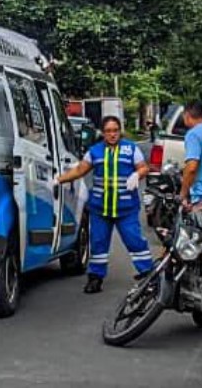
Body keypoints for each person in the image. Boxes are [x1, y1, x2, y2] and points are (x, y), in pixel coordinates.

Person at [56, 116, 151, 294]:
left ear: (120, 131)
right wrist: (57, 181)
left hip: (126, 208)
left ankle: (147, 274)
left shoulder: (131, 149)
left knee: (135, 241)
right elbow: (79, 170)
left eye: (115, 130)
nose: (112, 134)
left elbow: (144, 167)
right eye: (108, 131)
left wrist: (137, 175)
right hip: (100, 208)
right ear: (103, 132)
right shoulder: (95, 151)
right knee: (98, 243)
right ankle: (95, 278)